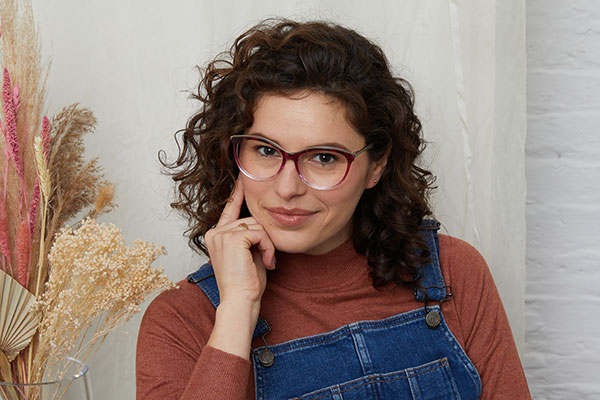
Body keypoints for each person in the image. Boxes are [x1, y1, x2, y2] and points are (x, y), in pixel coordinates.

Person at [136, 19, 530, 399]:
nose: (287, 188)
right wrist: (238, 309)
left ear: (375, 165)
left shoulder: (456, 273)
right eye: (266, 150)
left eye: (324, 157)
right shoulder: (181, 321)